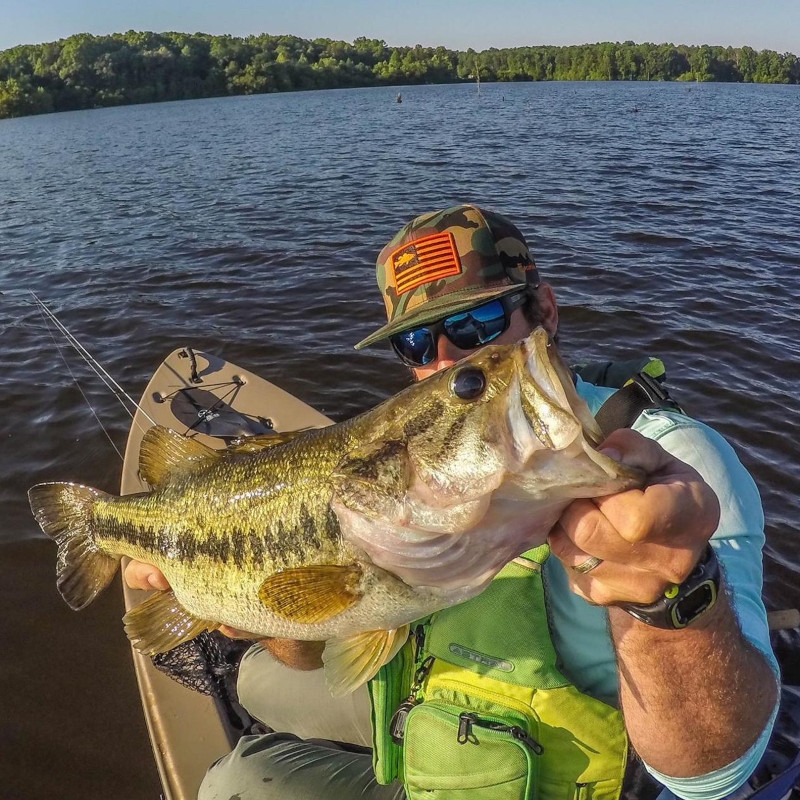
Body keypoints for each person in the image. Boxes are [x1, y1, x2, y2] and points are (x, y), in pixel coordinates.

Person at [126, 205, 780, 800]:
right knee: (251, 680)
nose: (442, 362)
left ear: (544, 312)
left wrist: (673, 603)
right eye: (415, 344)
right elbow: (326, 644)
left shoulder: (676, 472)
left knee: (233, 785)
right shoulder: (424, 470)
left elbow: (712, 776)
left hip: (553, 769)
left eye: (475, 326)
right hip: (428, 698)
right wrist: (261, 615)